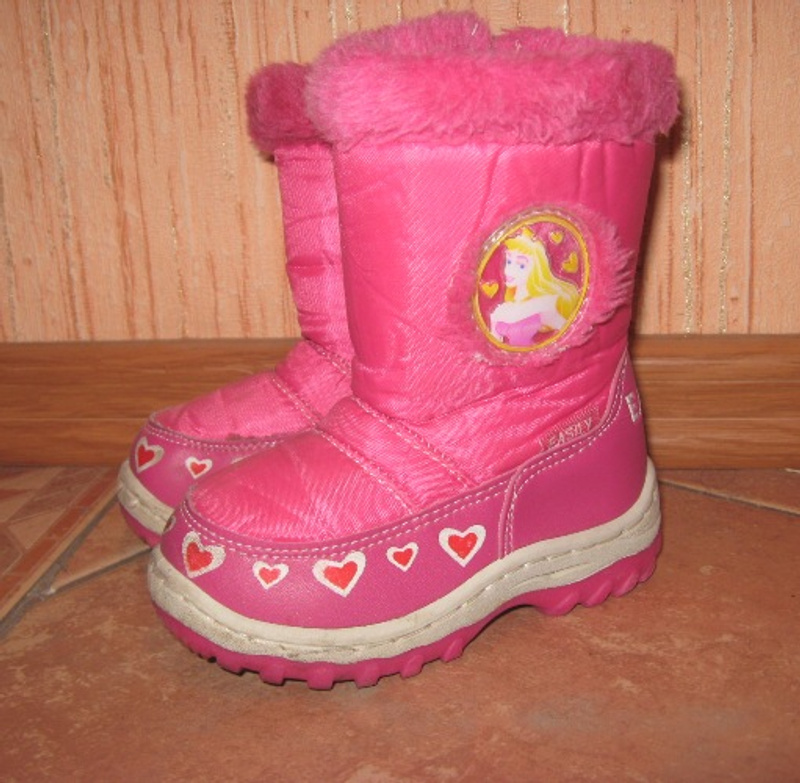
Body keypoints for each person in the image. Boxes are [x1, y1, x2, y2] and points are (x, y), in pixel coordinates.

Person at [489, 228, 580, 348]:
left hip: (541, 357)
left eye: (521, 265)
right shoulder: (511, 303)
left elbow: (569, 333)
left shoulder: (546, 302)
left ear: (536, 269)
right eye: (509, 261)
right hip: (508, 358)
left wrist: (498, 315)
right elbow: (495, 342)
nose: (509, 270)